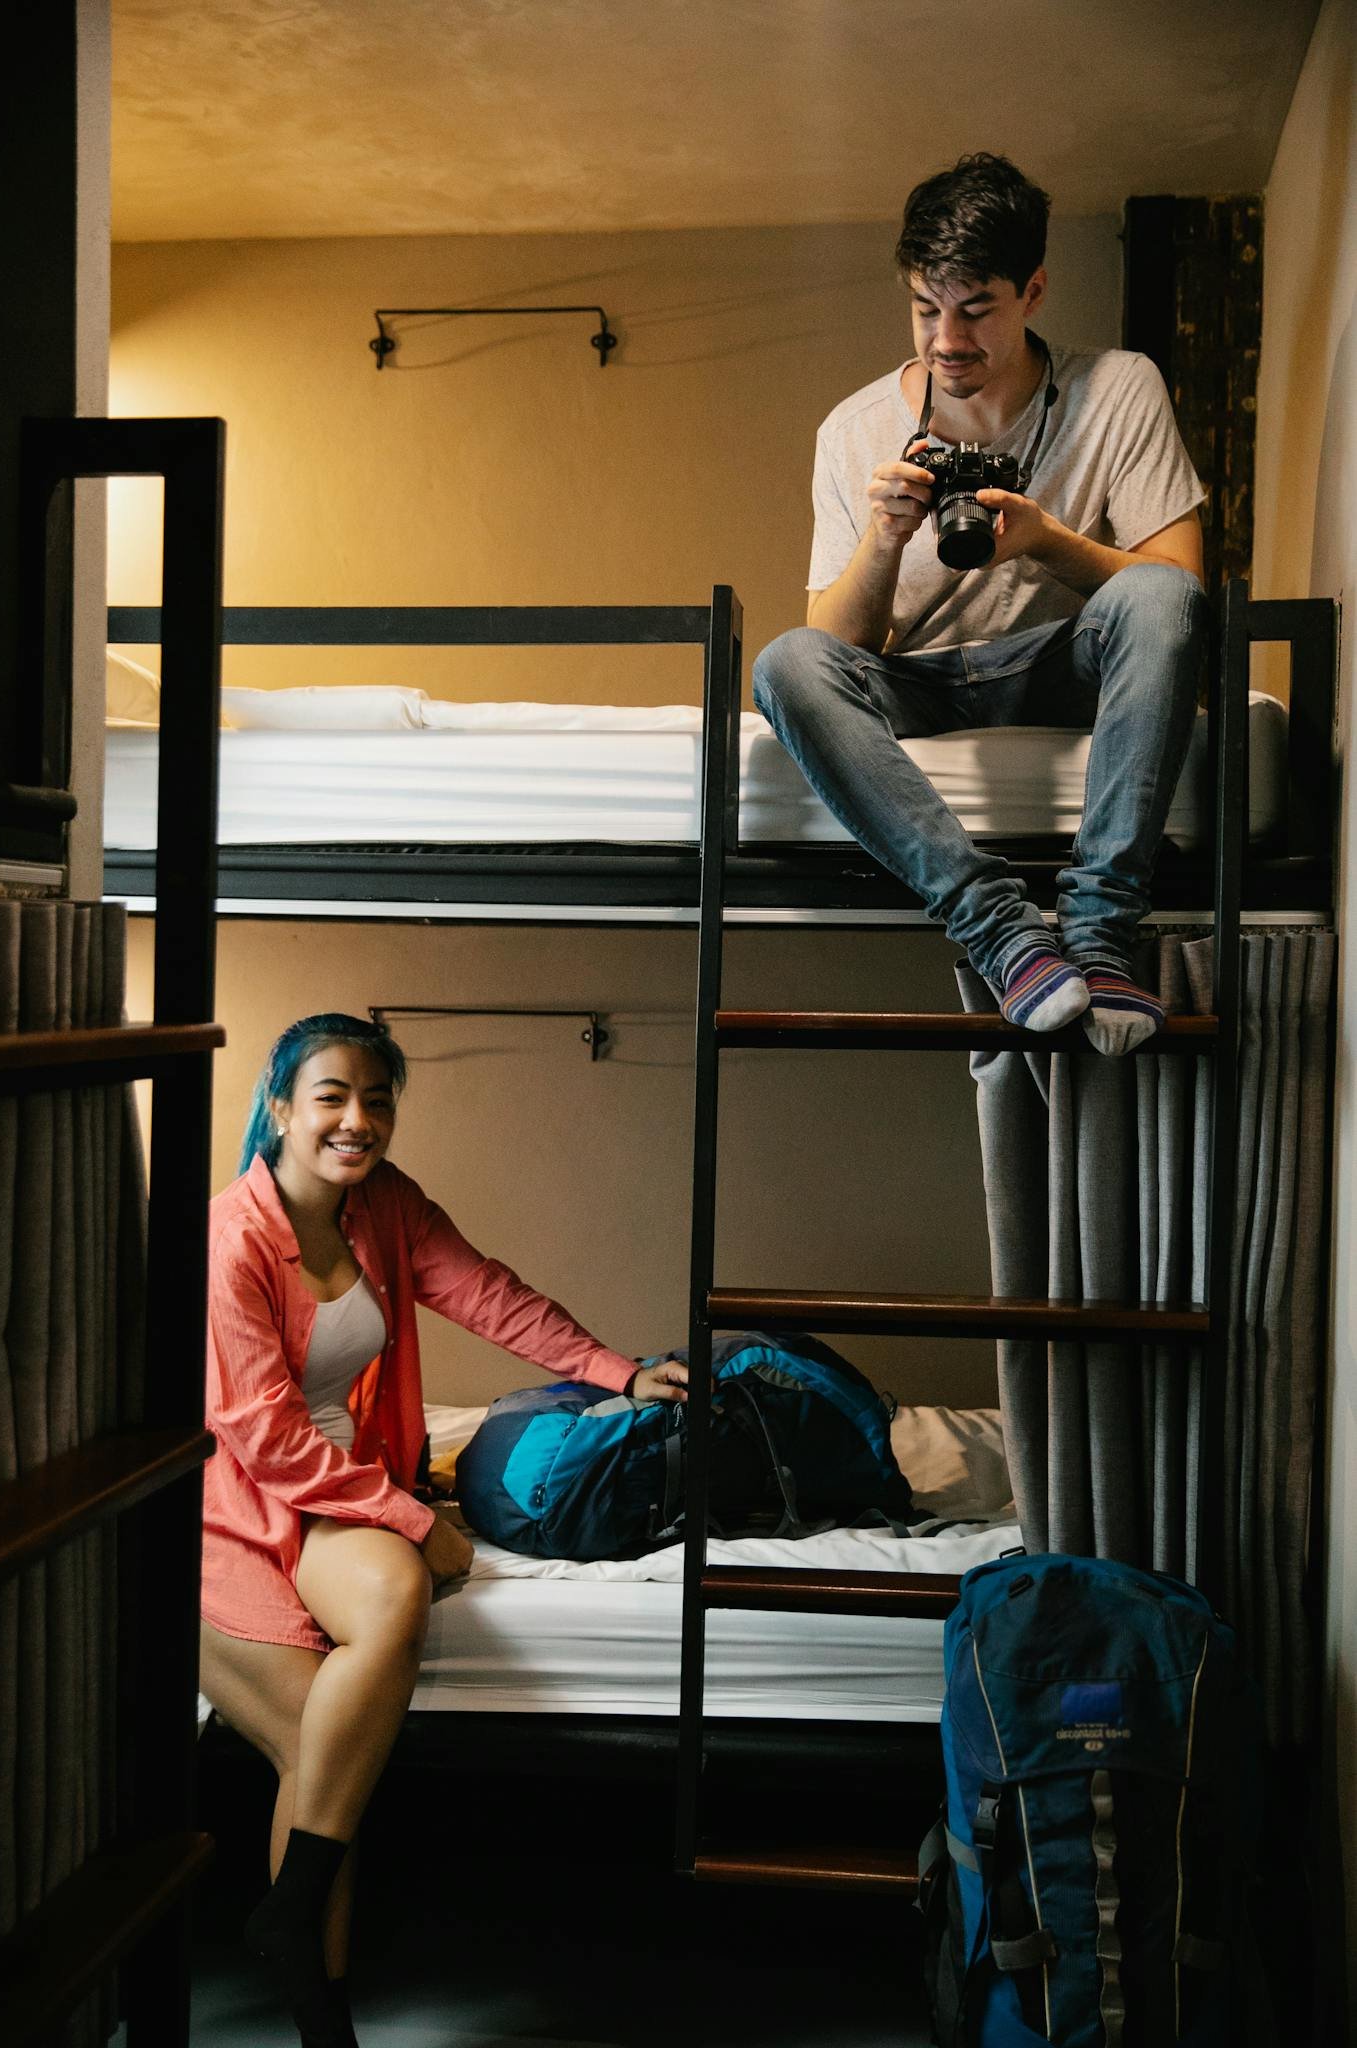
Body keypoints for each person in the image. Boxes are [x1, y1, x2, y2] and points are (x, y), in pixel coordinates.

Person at [199, 1011, 688, 2048]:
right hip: (243, 1502)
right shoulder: (232, 1237)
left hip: (342, 1483)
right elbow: (263, 1438)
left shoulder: (385, 1207)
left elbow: (492, 1295)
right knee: (317, 1748)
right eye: (331, 1094)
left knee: (386, 1608)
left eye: (377, 1099)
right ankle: (318, 2006)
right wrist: (420, 1518)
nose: (357, 1117)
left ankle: (292, 1920)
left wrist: (618, 1369)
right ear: (279, 1105)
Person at [753, 152, 1208, 1054]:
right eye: (925, 308)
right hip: (913, 681)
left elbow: (1178, 585)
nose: (945, 340)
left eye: (975, 309)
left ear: (1032, 290)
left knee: (1157, 597)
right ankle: (1001, 930)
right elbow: (833, 643)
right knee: (783, 662)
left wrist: (1043, 539)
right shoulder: (852, 431)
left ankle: (1099, 933)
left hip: (1057, 663)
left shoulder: (1117, 387)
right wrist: (885, 538)